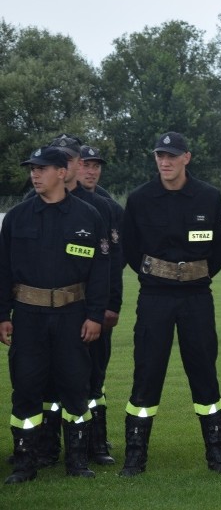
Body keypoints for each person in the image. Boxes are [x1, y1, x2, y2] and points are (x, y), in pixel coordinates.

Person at [119, 131, 221, 476]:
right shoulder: (140, 198)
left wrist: (194, 274)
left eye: (172, 156)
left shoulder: (208, 197)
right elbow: (129, 248)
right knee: (147, 372)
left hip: (196, 298)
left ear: (187, 157)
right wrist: (160, 274)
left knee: (204, 373)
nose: (165, 162)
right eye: (160, 156)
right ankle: (135, 457)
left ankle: (217, 455)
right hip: (154, 297)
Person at [1, 146, 109, 483]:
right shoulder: (17, 217)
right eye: (32, 168)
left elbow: (100, 272)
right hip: (29, 318)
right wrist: (3, 314)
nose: (35, 174)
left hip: (72, 315)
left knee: (75, 387)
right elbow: (3, 270)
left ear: (62, 172)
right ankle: (24, 463)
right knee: (27, 388)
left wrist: (94, 315)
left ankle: (77, 462)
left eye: (42, 168)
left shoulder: (88, 216)